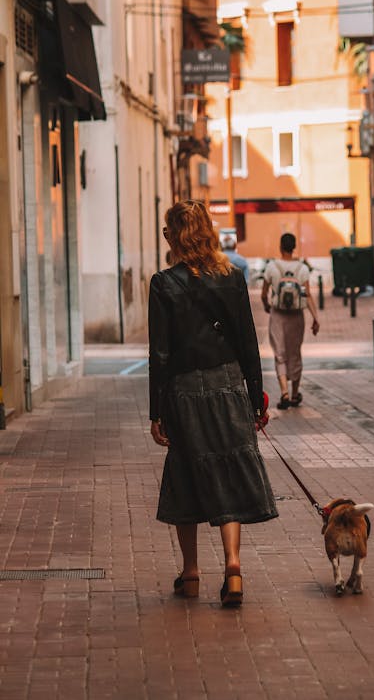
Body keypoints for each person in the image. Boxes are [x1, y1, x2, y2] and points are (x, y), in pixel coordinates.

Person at [149, 200, 277, 607]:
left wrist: (156, 412)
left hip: (184, 390)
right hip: (227, 384)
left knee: (185, 473)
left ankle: (190, 574)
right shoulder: (233, 278)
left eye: (168, 231)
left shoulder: (163, 283)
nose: (165, 237)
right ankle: (234, 568)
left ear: (176, 235)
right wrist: (257, 397)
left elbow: (160, 355)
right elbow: (247, 343)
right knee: (229, 466)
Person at [261, 233, 320, 409]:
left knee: (280, 353)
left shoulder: (272, 267)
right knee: (295, 353)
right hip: (296, 317)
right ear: (294, 247)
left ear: (280, 246)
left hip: (277, 315)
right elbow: (307, 295)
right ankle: (295, 394)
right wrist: (316, 318)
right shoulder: (302, 269)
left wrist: (266, 306)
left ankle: (284, 393)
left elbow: (264, 293)